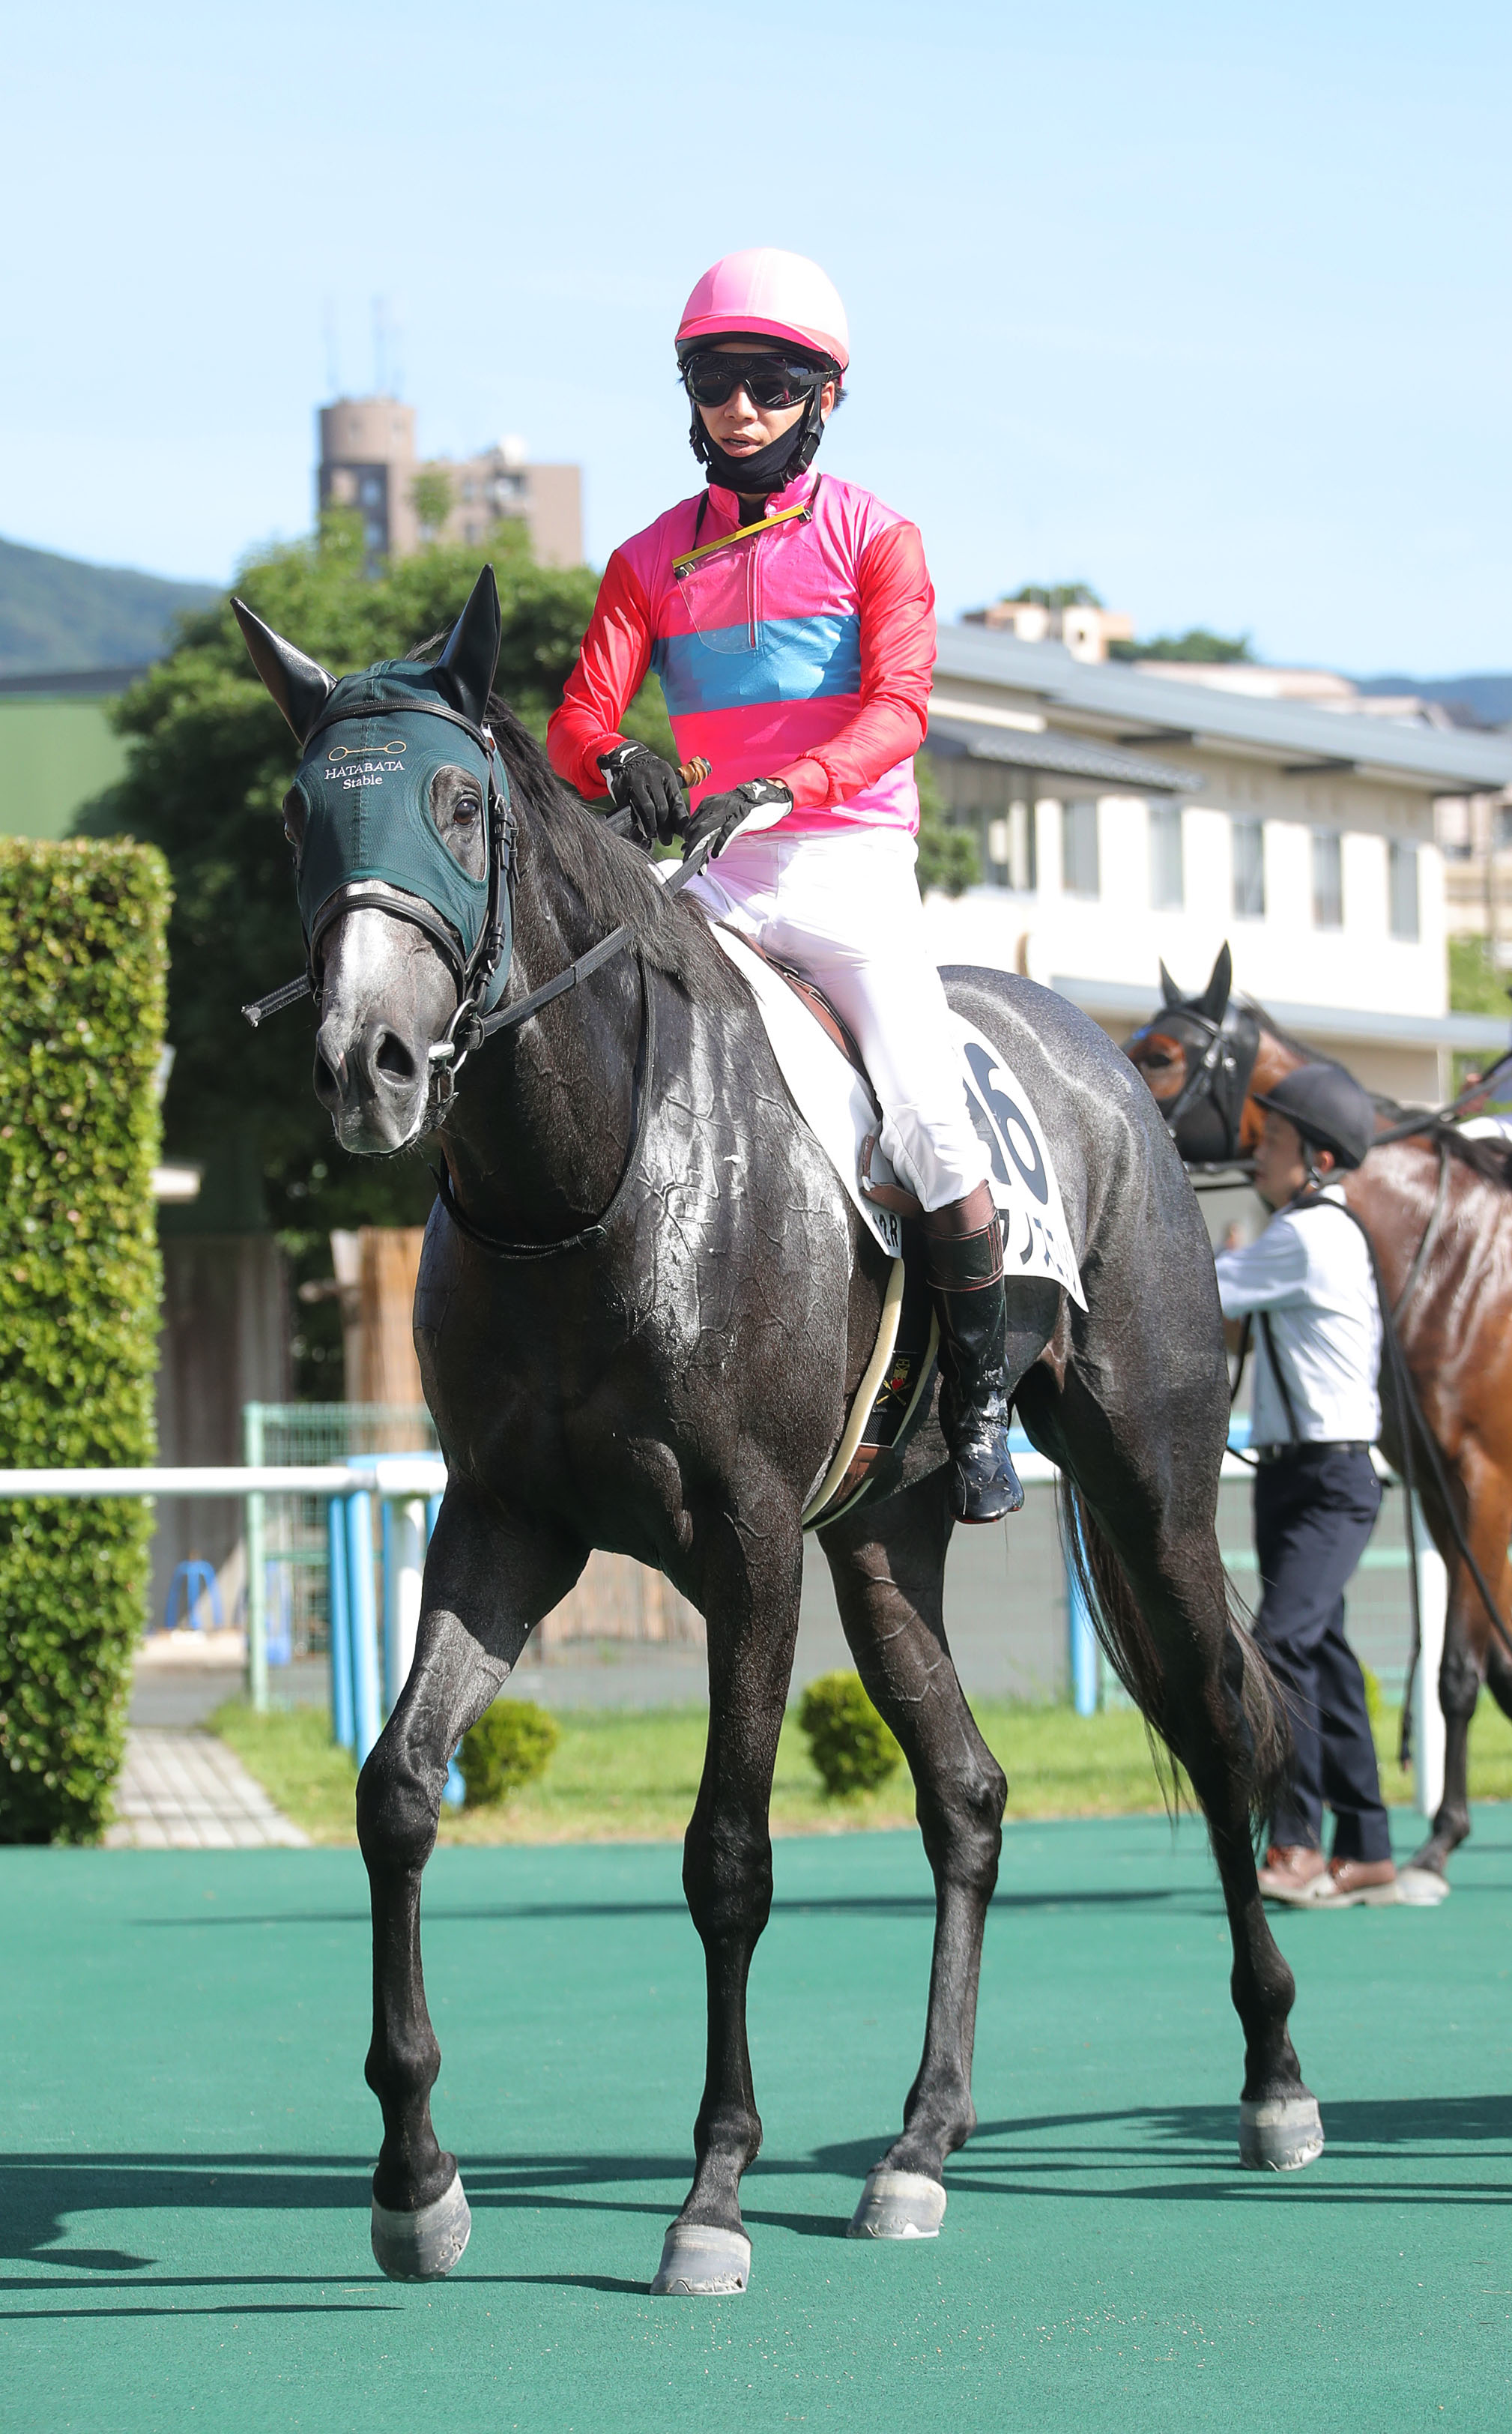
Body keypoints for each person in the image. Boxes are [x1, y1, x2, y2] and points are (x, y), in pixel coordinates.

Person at [548, 247, 1023, 1522]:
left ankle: (980, 1408)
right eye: (715, 380)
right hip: (712, 875)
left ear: (823, 397)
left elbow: (901, 707)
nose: (740, 408)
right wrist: (621, 756)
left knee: (929, 1121)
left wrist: (788, 784)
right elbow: (576, 722)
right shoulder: (647, 558)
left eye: (769, 383)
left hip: (845, 865)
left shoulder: (878, 538)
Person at [1214, 1063, 1399, 1906]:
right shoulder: (1305, 1230)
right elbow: (1231, 1323)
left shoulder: (1308, 1234)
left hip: (1326, 1478)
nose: (1259, 1152)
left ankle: (1295, 1843)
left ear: (1318, 1160)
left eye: (1276, 1140)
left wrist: (1222, 1256)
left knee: (1280, 1648)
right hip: (1304, 1475)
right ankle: (1367, 1848)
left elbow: (1198, 1293)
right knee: (1321, 1651)